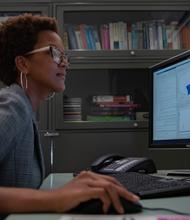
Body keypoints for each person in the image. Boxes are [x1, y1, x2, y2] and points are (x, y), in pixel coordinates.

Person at [0, 14, 139, 216]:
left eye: (65, 57)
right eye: (55, 54)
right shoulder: (13, 105)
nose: (64, 63)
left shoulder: (23, 107)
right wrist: (55, 199)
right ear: (23, 64)